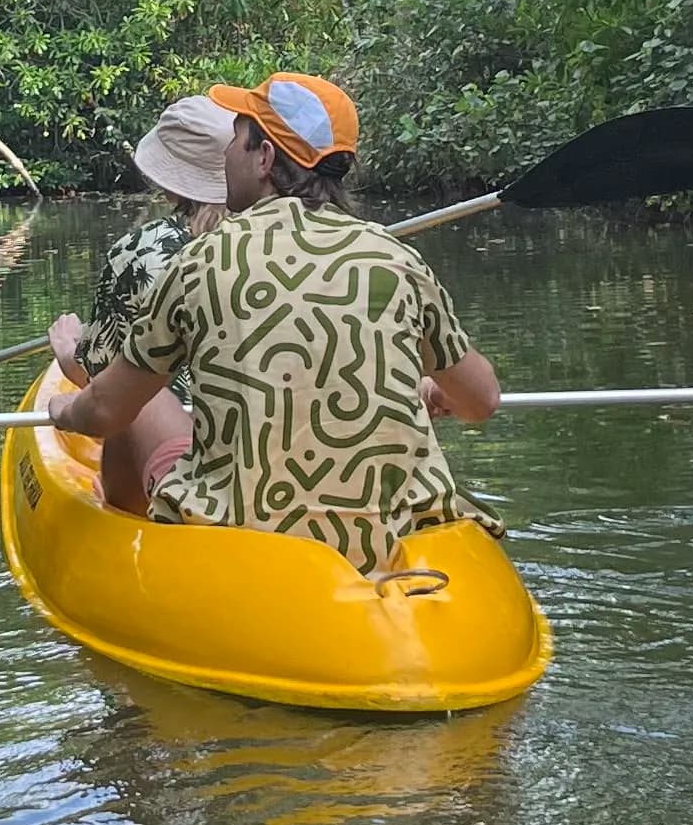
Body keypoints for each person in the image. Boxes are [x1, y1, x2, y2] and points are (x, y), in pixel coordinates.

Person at [50, 70, 502, 555]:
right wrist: (432, 390)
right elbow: (481, 401)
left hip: (243, 541)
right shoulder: (397, 258)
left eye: (237, 140)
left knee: (145, 397)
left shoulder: (202, 260)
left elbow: (104, 411)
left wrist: (62, 411)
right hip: (390, 538)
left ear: (263, 158)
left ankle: (125, 534)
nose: (224, 156)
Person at [47, 94, 234, 502]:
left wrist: (68, 353)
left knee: (134, 404)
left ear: (168, 184)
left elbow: (102, 388)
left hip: (193, 460)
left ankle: (125, 509)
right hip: (265, 446)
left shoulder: (142, 251)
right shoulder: (280, 239)